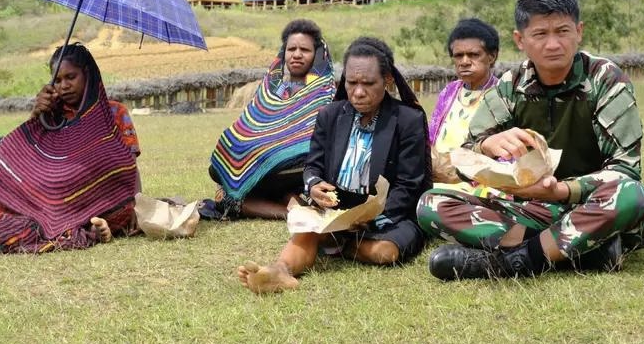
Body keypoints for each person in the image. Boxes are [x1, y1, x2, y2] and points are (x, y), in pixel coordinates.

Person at [417, 0, 644, 280]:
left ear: (579, 31)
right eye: (540, 34)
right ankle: (583, 251)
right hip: (533, 209)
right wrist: (487, 145)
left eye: (562, 31)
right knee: (431, 204)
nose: (553, 44)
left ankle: (516, 260)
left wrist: (563, 190)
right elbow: (464, 158)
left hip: (592, 207)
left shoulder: (606, 80)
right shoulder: (510, 85)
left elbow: (625, 169)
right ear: (520, 39)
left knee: (633, 196)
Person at [238, 37, 431, 293]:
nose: (358, 92)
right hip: (336, 212)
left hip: (389, 216)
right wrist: (314, 185)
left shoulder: (408, 120)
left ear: (387, 80)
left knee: (384, 252)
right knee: (308, 229)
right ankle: (279, 271)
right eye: (352, 83)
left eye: (368, 83)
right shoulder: (330, 116)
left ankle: (335, 244)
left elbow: (410, 184)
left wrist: (369, 217)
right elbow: (312, 167)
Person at [0, 42, 140, 258]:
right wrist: (36, 116)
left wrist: (137, 203)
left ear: (88, 75)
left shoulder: (114, 113)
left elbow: (129, 166)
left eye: (71, 77)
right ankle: (85, 228)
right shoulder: (51, 114)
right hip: (50, 200)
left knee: (122, 211)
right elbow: (29, 159)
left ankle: (91, 227)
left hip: (98, 199)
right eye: (57, 80)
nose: (64, 86)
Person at [206, 19, 335, 220]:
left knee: (296, 186)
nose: (297, 54)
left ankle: (292, 201)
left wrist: (280, 152)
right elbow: (249, 126)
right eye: (291, 49)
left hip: (299, 172)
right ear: (284, 53)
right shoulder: (271, 92)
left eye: (305, 50)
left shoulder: (324, 93)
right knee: (226, 196)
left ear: (317, 55)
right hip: (263, 173)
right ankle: (290, 210)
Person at [429, 18, 500, 185]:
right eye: (458, 56)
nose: (464, 61)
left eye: (474, 55)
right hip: (436, 176)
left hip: (479, 183)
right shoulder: (449, 92)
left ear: (492, 56)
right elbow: (430, 139)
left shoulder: (502, 94)